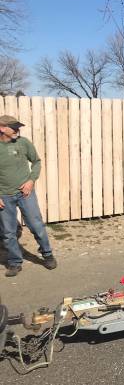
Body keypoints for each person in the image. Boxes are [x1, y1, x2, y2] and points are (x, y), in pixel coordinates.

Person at [0, 115, 56, 277]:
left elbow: (37, 162)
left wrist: (31, 181)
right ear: (2, 128)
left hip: (25, 193)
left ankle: (47, 255)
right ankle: (15, 262)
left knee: (36, 225)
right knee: (8, 232)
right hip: (4, 196)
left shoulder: (23, 143)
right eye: (14, 127)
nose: (18, 130)